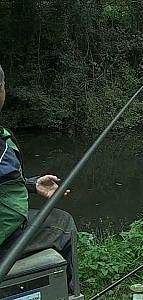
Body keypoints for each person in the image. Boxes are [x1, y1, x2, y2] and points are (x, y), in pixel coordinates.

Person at [0, 65, 77, 293]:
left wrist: (32, 184)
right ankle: (70, 294)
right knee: (64, 225)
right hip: (6, 237)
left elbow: (5, 179)